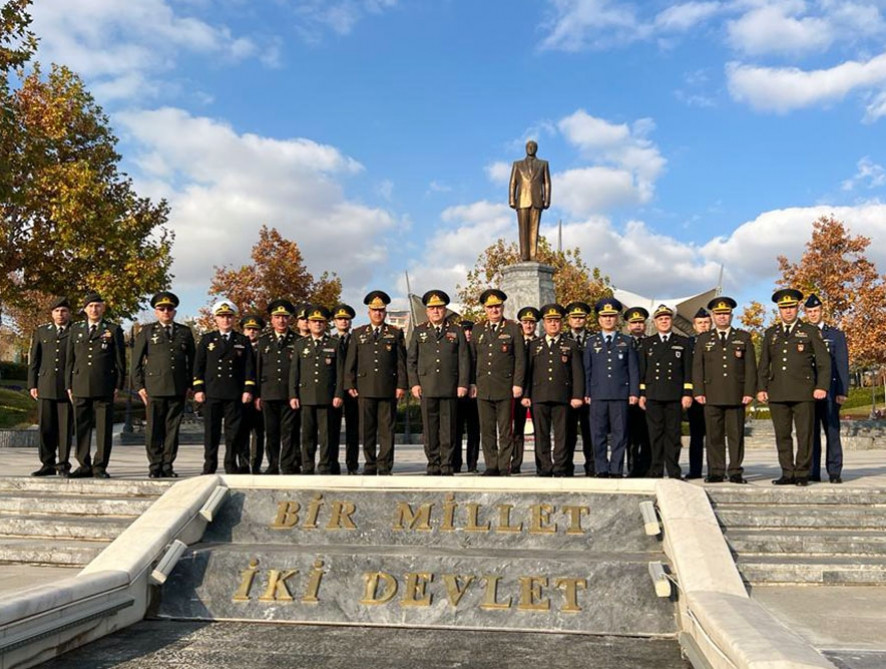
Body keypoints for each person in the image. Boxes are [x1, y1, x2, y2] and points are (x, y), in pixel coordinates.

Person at [757, 289, 830, 486]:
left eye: (791, 307)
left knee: (805, 434)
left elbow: (824, 362)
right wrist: (761, 388)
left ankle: (801, 473)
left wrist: (821, 386)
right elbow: (764, 363)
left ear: (798, 307)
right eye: (784, 308)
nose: (788, 311)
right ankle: (787, 472)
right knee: (782, 435)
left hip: (804, 391)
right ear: (778, 310)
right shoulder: (771, 333)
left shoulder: (810, 331)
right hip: (777, 391)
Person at [131, 291, 196, 478]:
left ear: (174, 311)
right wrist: (139, 387)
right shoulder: (147, 331)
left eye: (169, 309)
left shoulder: (184, 332)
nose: (166, 312)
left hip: (178, 387)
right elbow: (136, 362)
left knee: (172, 430)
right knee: (153, 429)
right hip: (154, 387)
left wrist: (191, 384)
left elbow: (192, 361)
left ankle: (168, 465)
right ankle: (155, 465)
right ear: (156, 312)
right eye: (162, 309)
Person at [692, 297, 756, 484]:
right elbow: (698, 367)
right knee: (714, 436)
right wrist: (698, 391)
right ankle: (716, 471)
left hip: (736, 394)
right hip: (711, 394)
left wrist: (749, 391)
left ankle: (735, 471)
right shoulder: (704, 338)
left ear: (731, 315)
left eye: (725, 314)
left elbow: (750, 367)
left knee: (736, 436)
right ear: (713, 316)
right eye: (718, 314)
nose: (722, 317)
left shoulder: (743, 337)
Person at [407, 291, 470, 476]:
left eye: (439, 308)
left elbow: (464, 359)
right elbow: (412, 360)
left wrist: (463, 384)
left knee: (449, 429)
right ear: (427, 311)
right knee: (430, 429)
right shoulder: (419, 331)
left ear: (445, 310)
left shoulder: (456, 330)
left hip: (450, 386)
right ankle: (433, 463)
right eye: (432, 308)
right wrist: (414, 384)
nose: (436, 311)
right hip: (427, 387)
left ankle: (447, 464)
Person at [344, 291, 407, 475]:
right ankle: (370, 464)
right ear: (368, 312)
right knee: (367, 430)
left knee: (387, 430)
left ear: (385, 312)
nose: (378, 313)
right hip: (365, 389)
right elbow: (351, 362)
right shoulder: (358, 333)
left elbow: (400, 362)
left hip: (388, 389)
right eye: (374, 310)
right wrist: (350, 384)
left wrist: (401, 385)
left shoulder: (395, 333)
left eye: (381, 310)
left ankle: (385, 465)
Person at [65, 293, 125, 478]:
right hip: (80, 384)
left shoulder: (113, 330)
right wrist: (69, 385)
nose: (94, 309)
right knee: (81, 427)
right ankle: (83, 465)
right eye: (90, 306)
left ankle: (100, 466)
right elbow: (69, 360)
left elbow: (120, 361)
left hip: (104, 386)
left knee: (104, 430)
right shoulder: (75, 329)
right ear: (85, 309)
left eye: (98, 306)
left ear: (103, 308)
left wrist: (118, 385)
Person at [193, 300, 256, 474]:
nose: (225, 320)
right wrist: (198, 389)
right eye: (222, 316)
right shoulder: (207, 339)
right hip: (212, 393)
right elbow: (198, 366)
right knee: (211, 432)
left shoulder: (242, 340)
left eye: (229, 316)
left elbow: (249, 368)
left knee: (233, 433)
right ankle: (209, 465)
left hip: (234, 393)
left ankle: (230, 463)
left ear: (234, 319)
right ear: (216, 319)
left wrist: (248, 390)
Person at [522, 304, 584, 477]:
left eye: (556, 321)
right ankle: (544, 467)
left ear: (561, 323)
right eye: (550, 321)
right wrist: (526, 395)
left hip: (562, 397)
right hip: (539, 396)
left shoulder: (570, 345)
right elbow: (528, 372)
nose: (553, 324)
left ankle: (560, 468)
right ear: (544, 323)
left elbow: (577, 373)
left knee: (562, 436)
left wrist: (577, 395)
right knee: (541, 436)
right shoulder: (535, 345)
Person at [471, 289, 526, 476]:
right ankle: (491, 465)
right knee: (486, 431)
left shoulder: (512, 328)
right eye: (490, 307)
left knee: (505, 431)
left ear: (502, 307)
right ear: (485, 309)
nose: (494, 310)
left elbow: (520, 359)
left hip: (505, 387)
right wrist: (472, 383)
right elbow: (472, 358)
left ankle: (504, 466)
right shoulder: (478, 329)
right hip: (484, 387)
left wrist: (518, 383)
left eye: (497, 306)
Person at [583, 298, 639, 478]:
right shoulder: (591, 342)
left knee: (619, 434)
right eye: (604, 316)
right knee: (597, 434)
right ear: (599, 319)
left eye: (611, 316)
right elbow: (587, 370)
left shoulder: (627, 341)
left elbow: (633, 369)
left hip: (620, 394)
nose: (608, 319)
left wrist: (634, 392)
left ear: (617, 319)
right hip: (598, 394)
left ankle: (615, 469)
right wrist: (587, 393)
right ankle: (601, 468)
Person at [638, 305, 693, 479]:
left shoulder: (683, 342)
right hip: (653, 395)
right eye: (660, 319)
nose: (664, 321)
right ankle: (656, 469)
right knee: (654, 435)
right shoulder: (647, 343)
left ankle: (673, 470)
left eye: (667, 318)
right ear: (654, 322)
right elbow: (643, 371)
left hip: (674, 395)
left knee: (673, 435)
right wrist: (642, 394)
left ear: (672, 321)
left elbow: (688, 371)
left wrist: (687, 393)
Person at [290, 305, 344, 474]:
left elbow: (340, 372)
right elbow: (294, 372)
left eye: (321, 322)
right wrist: (293, 394)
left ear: (326, 324)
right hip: (305, 396)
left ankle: (325, 466)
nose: (317, 324)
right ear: (309, 323)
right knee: (307, 435)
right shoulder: (300, 344)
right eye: (314, 321)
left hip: (327, 396)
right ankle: (307, 466)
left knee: (326, 436)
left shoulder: (334, 344)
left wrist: (338, 394)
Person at [804, 294, 849, 484]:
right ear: (805, 313)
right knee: (810, 433)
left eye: (816, 311)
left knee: (832, 432)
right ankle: (813, 471)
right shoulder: (803, 334)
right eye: (809, 312)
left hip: (830, 391)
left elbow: (841, 364)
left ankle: (834, 472)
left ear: (822, 311)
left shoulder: (835, 335)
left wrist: (842, 391)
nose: (813, 314)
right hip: (807, 392)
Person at [28, 296, 74, 476]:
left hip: (66, 387)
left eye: (64, 311)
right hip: (45, 385)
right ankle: (47, 464)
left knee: (64, 429)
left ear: (69, 313)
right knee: (46, 428)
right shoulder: (42, 332)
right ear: (51, 314)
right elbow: (35, 360)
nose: (60, 314)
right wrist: (32, 384)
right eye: (57, 311)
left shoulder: (75, 331)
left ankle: (63, 464)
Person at [255, 300, 300, 475]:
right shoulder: (263, 341)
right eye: (277, 317)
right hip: (268, 393)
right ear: (271, 320)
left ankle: (287, 464)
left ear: (290, 319)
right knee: (271, 433)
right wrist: (257, 394)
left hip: (289, 394)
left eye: (284, 317)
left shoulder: (297, 340)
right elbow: (258, 368)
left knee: (289, 433)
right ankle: (273, 464)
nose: (281, 321)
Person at [508, 140, 551, 262]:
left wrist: (547, 200)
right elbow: (512, 183)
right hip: (522, 200)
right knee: (523, 229)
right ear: (525, 148)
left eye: (533, 146)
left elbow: (547, 182)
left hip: (537, 200)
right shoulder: (517, 164)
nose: (530, 148)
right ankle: (524, 255)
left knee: (534, 228)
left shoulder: (543, 164)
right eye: (528, 146)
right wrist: (512, 199)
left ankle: (533, 254)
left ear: (536, 149)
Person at [564, 301, 593, 476]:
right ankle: (567, 466)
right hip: (568, 394)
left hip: (589, 393)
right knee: (568, 433)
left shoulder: (593, 339)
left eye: (581, 317)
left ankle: (592, 466)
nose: (577, 321)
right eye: (574, 317)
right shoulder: (563, 339)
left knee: (590, 432)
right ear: (569, 319)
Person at [330, 304, 359, 474]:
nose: (343, 321)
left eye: (346, 319)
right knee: (332, 429)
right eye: (340, 319)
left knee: (353, 430)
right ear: (334, 321)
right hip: (334, 391)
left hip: (352, 391)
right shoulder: (330, 341)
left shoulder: (356, 339)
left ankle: (352, 465)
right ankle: (333, 463)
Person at [512, 306, 540, 475]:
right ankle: (515, 463)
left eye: (531, 323)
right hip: (517, 392)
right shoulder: (516, 343)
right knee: (516, 431)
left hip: (536, 393)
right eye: (525, 322)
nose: (528, 326)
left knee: (541, 432)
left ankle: (541, 465)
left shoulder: (540, 343)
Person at [623, 306, 650, 477]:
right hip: (628, 396)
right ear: (627, 325)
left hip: (648, 395)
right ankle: (632, 467)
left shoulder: (651, 343)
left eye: (640, 322)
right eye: (634, 323)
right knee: (630, 436)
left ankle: (647, 466)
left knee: (647, 434)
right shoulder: (623, 343)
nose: (637, 326)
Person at [686, 307, 712, 479]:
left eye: (706, 323)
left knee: (713, 436)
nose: (703, 326)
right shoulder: (688, 344)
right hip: (695, 395)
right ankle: (695, 470)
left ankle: (714, 470)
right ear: (694, 326)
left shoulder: (717, 340)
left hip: (714, 394)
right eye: (700, 323)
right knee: (696, 435)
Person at [240, 314, 267, 473]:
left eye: (255, 330)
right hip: (242, 396)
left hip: (259, 397)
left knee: (258, 433)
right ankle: (243, 464)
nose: (252, 332)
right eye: (249, 329)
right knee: (242, 432)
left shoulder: (264, 348)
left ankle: (256, 464)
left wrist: (260, 395)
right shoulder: (238, 347)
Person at [454, 319, 481, 473]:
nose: (468, 333)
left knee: (474, 431)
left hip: (475, 396)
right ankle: (456, 462)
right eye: (466, 330)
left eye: (471, 330)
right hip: (458, 395)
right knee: (456, 430)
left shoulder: (478, 347)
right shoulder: (456, 348)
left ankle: (472, 463)